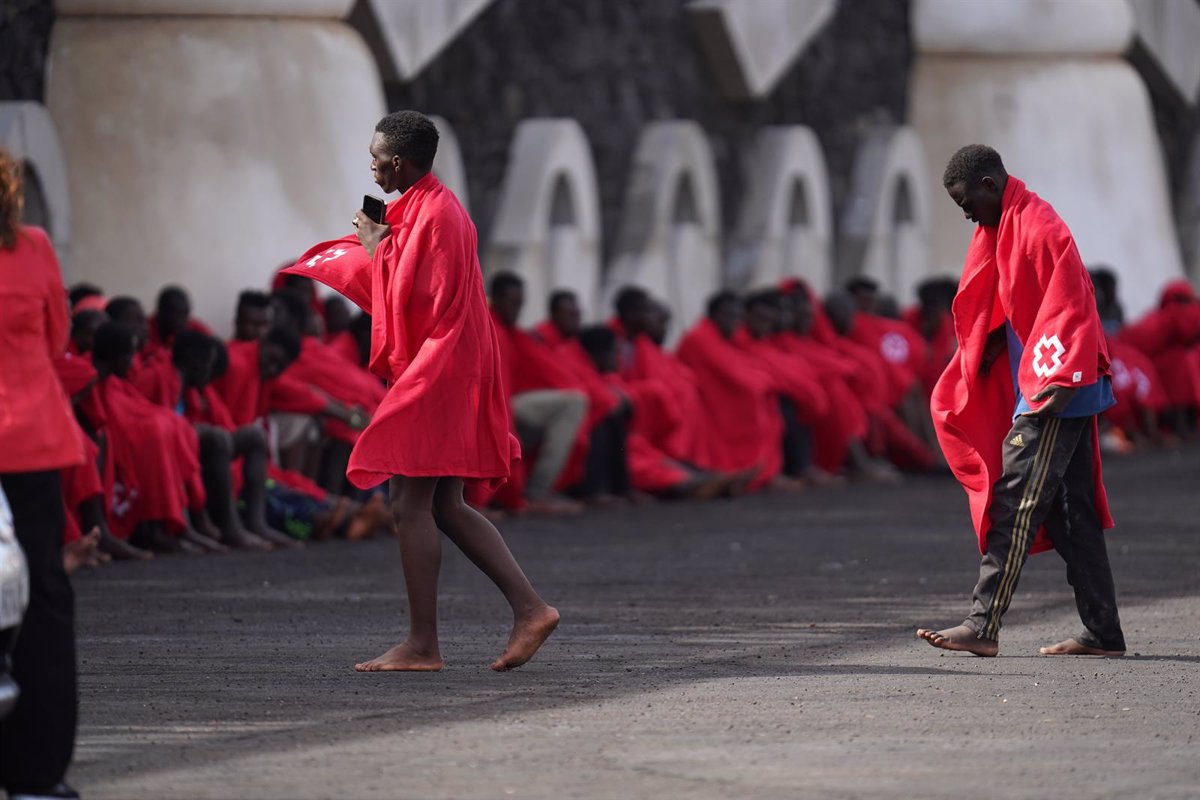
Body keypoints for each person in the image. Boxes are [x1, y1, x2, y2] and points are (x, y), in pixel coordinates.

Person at [283, 110, 558, 671]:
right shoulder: (429, 208)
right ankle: (529, 610)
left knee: (409, 505)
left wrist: (373, 247)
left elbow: (425, 302)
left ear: (401, 161)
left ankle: (423, 644)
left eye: (377, 157)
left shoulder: (438, 215)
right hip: (448, 365)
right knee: (443, 505)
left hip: (441, 368)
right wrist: (380, 243)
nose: (372, 165)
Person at [918, 144, 1125, 658]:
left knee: (1016, 498)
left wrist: (1061, 375)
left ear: (990, 184)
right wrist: (992, 343)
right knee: (1072, 514)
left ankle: (982, 623)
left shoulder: (1037, 226)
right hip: (1058, 380)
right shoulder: (1008, 222)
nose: (965, 213)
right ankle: (1103, 632)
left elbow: (1074, 300)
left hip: (1055, 386)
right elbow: (1011, 300)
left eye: (966, 201)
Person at [0, 146, 87, 800]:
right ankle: (36, 769)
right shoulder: (30, 248)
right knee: (42, 602)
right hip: (28, 442)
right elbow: (58, 338)